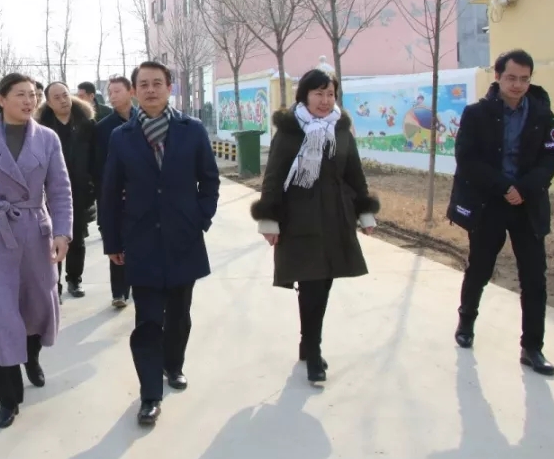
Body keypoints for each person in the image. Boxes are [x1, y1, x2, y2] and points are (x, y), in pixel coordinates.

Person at [100, 61, 220, 427]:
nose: (151, 90)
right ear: (134, 91)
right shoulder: (122, 136)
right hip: (141, 241)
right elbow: (109, 192)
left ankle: (174, 364)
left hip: (184, 238)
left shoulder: (191, 130)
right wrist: (113, 240)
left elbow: (209, 181)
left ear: (170, 88)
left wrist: (199, 219)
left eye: (157, 83)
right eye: (144, 84)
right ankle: (150, 394)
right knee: (148, 320)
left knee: (179, 315)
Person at [0, 73, 73, 429]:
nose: (28, 100)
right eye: (20, 94)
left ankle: (31, 356)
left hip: (36, 234)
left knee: (35, 307)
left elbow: (60, 190)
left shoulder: (47, 139)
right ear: (1, 99)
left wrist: (63, 233)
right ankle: (8, 398)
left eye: (33, 94)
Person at [250, 68, 378, 385]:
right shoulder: (290, 132)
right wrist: (269, 220)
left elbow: (355, 173)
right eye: (318, 94)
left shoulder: (341, 129)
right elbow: (274, 177)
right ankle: (313, 352)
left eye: (330, 94)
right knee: (311, 285)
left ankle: (307, 342)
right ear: (304, 97)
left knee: (325, 283)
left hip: (336, 218)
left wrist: (365, 213)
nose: (325, 100)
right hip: (299, 220)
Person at [448, 49, 554, 376]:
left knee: (534, 277)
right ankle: (466, 321)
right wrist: (504, 187)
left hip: (528, 204)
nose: (517, 85)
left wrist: (524, 188)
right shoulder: (476, 114)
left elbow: (551, 157)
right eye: (511, 78)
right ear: (497, 76)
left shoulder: (542, 113)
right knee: (480, 269)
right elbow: (467, 159)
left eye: (524, 79)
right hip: (490, 204)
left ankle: (532, 347)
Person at [38, 81, 98, 299]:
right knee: (53, 237)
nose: (63, 100)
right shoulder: (41, 129)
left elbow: (95, 158)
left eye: (65, 95)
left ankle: (74, 279)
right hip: (51, 192)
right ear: (48, 102)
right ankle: (55, 283)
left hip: (80, 190)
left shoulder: (86, 124)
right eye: (57, 98)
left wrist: (92, 186)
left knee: (77, 237)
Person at [95, 76, 137, 308]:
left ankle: (139, 286)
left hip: (139, 193)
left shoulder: (144, 121)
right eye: (109, 92)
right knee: (116, 240)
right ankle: (119, 292)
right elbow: (99, 165)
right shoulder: (103, 128)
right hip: (114, 194)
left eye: (117, 91)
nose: (112, 96)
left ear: (131, 92)